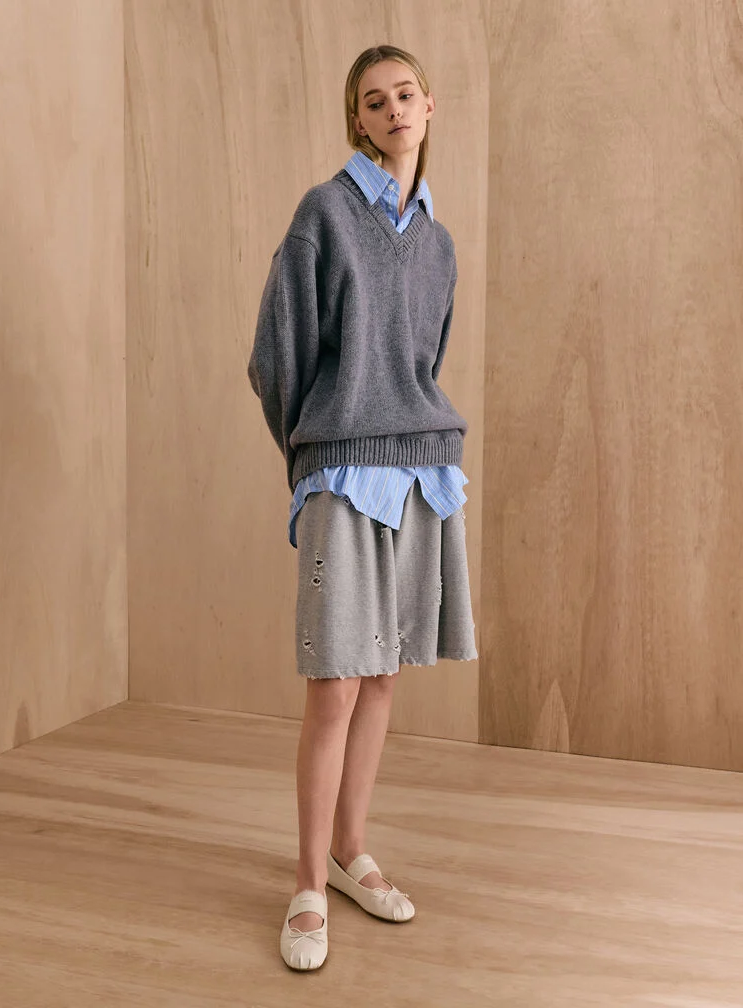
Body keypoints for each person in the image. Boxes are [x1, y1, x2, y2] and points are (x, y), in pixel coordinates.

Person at [247, 43, 478, 971]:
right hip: (343, 472)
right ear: (358, 119)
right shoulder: (324, 215)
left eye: (405, 95)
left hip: (421, 470)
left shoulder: (439, 243)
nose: (393, 111)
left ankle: (351, 853)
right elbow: (277, 358)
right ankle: (308, 884)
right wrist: (316, 450)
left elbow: (425, 367)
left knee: (382, 677)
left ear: (429, 106)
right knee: (336, 681)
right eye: (374, 101)